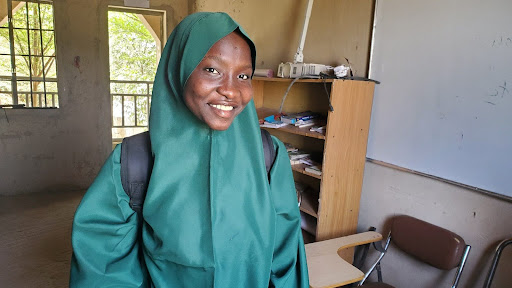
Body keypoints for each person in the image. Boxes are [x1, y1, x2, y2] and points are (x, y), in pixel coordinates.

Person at [70, 12, 309, 287]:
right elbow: (103, 266)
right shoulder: (133, 161)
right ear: (179, 69)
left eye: (243, 75)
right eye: (212, 70)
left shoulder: (268, 156)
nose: (231, 90)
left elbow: (285, 258)